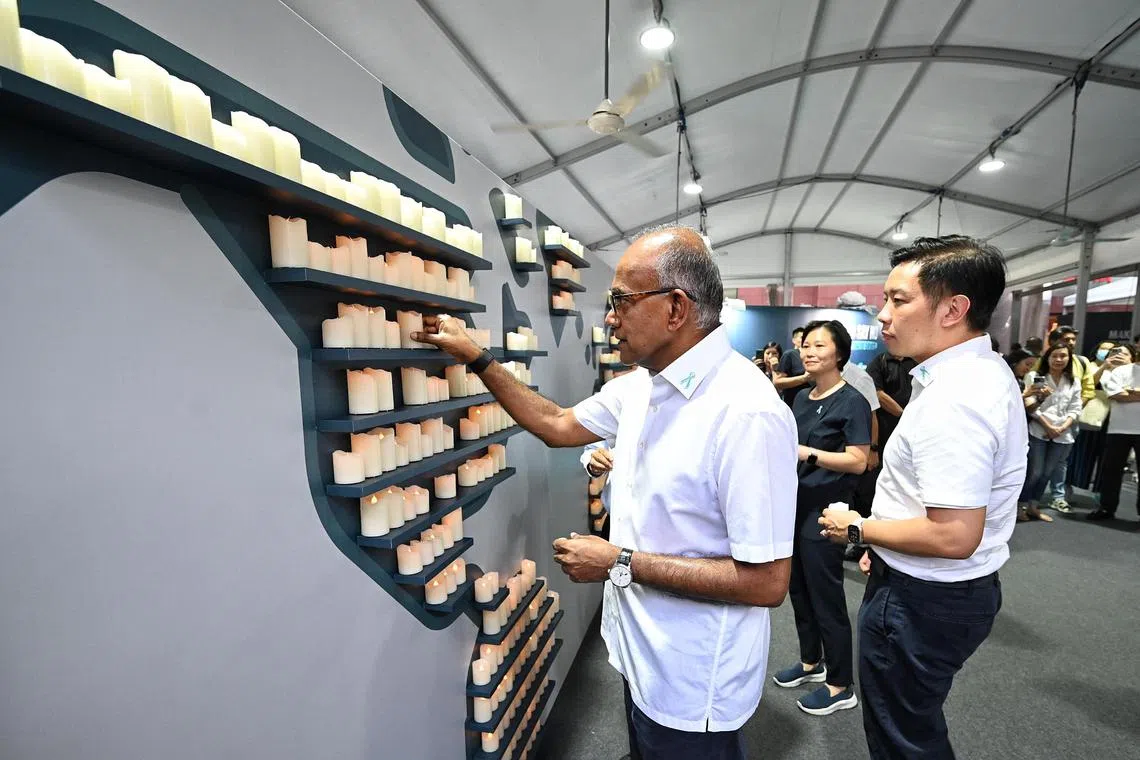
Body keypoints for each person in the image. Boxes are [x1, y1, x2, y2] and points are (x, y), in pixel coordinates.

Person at [414, 225, 798, 759]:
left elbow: (766, 582)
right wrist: (478, 358)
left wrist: (617, 562)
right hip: (639, 653)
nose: (610, 318)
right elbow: (557, 423)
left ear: (676, 307)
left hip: (690, 679)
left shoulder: (746, 414)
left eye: (620, 300)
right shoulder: (643, 385)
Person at [817, 235, 1025, 759]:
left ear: (954, 308)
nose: (883, 315)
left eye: (899, 300)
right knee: (912, 726)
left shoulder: (956, 397)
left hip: (923, 601)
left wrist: (859, 528)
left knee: (904, 740)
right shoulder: (971, 374)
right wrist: (887, 540)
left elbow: (954, 533)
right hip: (937, 590)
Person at [772, 320, 870, 717]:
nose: (809, 352)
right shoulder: (800, 398)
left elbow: (859, 461)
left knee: (827, 596)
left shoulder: (853, 402)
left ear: (840, 354)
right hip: (794, 505)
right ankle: (812, 662)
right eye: (806, 345)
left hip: (827, 511)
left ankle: (841, 683)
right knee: (798, 589)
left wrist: (805, 453)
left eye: (819, 346)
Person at [1017, 343, 1083, 522]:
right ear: (1047, 357)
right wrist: (1049, 427)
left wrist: (1061, 428)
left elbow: (1075, 408)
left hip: (1063, 432)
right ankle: (1020, 506)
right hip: (1039, 430)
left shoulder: (1073, 381)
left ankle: (1033, 506)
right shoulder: (1036, 377)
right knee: (1035, 471)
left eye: (1063, 356)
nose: (1059, 360)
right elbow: (1030, 406)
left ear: (1069, 358)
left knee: (1047, 472)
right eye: (1054, 356)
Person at [1089, 344, 1140, 522]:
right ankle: (1106, 507)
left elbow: (1123, 394)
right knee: (1111, 470)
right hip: (1119, 427)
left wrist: (1131, 392)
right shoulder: (1120, 371)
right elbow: (1115, 394)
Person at [774, 327, 808, 406]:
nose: (805, 340)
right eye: (802, 337)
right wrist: (804, 378)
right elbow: (778, 382)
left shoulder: (812, 355)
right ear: (794, 340)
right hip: (793, 403)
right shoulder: (790, 354)